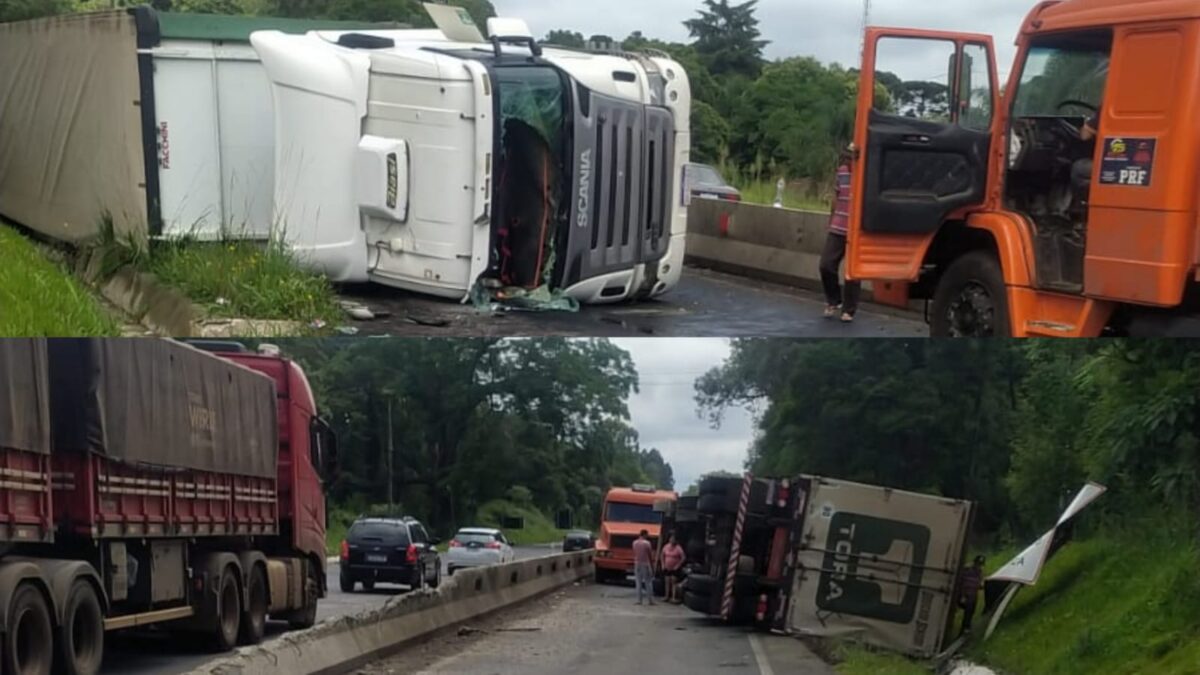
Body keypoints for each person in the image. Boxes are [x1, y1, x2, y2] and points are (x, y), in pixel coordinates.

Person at [820, 145, 861, 323]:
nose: (847, 162)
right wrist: (831, 218)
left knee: (851, 272)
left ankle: (849, 309)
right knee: (826, 264)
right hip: (838, 225)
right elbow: (836, 196)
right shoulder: (842, 173)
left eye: (850, 158)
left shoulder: (864, 175)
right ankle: (833, 300)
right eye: (845, 158)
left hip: (856, 229)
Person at [957, 555, 985, 634]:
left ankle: (966, 628)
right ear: (974, 563)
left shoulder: (979, 572)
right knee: (968, 611)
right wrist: (962, 595)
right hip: (965, 594)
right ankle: (964, 628)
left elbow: (979, 584)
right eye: (978, 564)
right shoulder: (967, 570)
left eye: (980, 565)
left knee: (971, 611)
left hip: (973, 595)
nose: (979, 566)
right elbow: (961, 582)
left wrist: (981, 585)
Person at [632, 529, 656, 606]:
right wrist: (652, 566)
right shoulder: (647, 543)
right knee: (648, 582)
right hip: (645, 563)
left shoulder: (634, 543)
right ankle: (650, 600)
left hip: (637, 563)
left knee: (638, 582)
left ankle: (639, 600)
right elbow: (649, 555)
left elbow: (635, 553)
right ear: (645, 534)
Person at [660, 534, 686, 604]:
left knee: (673, 582)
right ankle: (666, 596)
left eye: (673, 539)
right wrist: (662, 564)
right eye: (671, 539)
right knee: (667, 582)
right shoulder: (666, 546)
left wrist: (678, 565)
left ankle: (673, 597)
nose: (672, 540)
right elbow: (662, 555)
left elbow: (683, 557)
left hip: (675, 568)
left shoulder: (678, 548)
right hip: (666, 567)